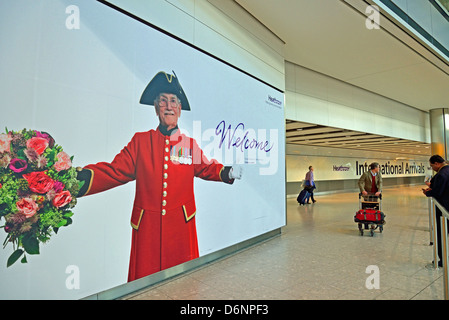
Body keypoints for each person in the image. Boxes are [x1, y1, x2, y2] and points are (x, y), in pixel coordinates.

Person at [76, 71, 242, 282]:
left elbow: (205, 167)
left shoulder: (188, 144)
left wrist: (226, 172)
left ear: (180, 109)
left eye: (173, 101)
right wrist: (75, 181)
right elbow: (115, 170)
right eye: (163, 101)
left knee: (182, 284)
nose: (169, 106)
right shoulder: (140, 142)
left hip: (180, 225)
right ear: (156, 109)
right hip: (148, 228)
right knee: (145, 284)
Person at [423, 155, 449, 267]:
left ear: (437, 163)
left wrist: (428, 192)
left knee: (441, 234)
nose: (432, 168)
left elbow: (437, 192)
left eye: (432, 165)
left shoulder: (442, 174)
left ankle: (442, 259)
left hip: (444, 209)